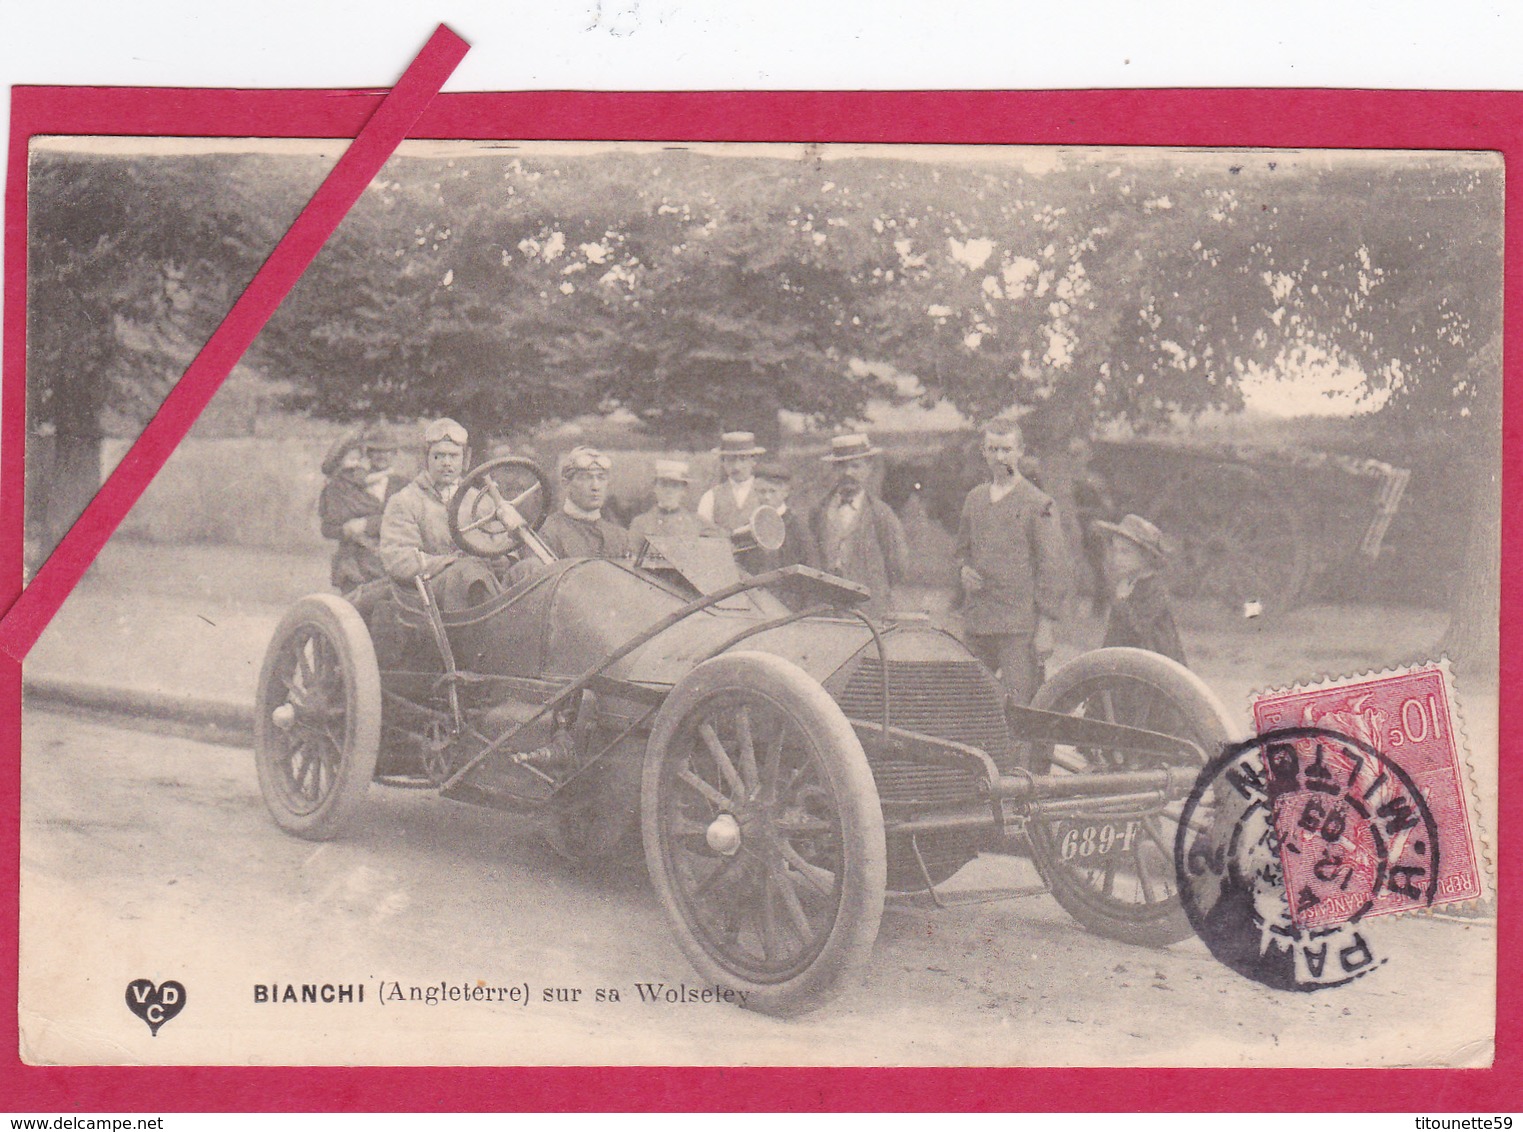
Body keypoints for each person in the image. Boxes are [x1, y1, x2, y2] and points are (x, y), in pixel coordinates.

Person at [955, 420, 1070, 706]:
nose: (1000, 458)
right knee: (969, 702)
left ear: (1020, 451)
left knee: (1018, 706)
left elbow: (1052, 567)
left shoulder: (1039, 504)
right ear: (983, 452)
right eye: (993, 449)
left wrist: (1045, 627)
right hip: (978, 622)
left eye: (1006, 449)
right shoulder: (975, 499)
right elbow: (961, 551)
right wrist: (963, 571)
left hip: (1018, 627)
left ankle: (1021, 754)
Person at [379, 417, 498, 609]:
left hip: (482, 583)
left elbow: (502, 544)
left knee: (528, 569)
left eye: (453, 456)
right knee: (465, 572)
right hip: (430, 592)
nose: (446, 463)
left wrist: (504, 556)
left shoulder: (482, 501)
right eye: (439, 456)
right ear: (425, 459)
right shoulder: (405, 501)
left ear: (465, 459)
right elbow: (398, 559)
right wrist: (449, 562)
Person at [808, 432, 909, 617]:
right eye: (841, 466)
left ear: (868, 468)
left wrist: (875, 588)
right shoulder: (818, 512)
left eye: (855, 466)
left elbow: (898, 566)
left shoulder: (881, 514)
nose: (848, 473)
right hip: (827, 610)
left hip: (868, 611)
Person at [1095, 513, 1187, 665]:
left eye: (1125, 552)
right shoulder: (1127, 584)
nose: (1117, 558)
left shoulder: (1154, 589)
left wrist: (1121, 601)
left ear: (1145, 556)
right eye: (1115, 551)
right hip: (1129, 660)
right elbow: (1115, 633)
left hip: (1155, 664)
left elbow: (1138, 630)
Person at [537, 446, 636, 559]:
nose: (595, 486)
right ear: (566, 484)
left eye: (601, 478)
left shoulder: (621, 537)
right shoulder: (548, 533)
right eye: (586, 478)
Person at [318, 431, 386, 594]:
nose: (382, 456)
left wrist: (367, 524)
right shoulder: (342, 484)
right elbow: (327, 527)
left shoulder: (404, 485)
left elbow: (403, 519)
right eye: (375, 451)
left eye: (388, 451)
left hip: (385, 564)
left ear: (395, 453)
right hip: (352, 565)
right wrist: (345, 530)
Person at [737, 461, 818, 575]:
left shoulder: (797, 527)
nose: (767, 497)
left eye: (772, 491)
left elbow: (811, 567)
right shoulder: (750, 527)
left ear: (785, 492)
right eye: (761, 491)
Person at [629, 459, 724, 541]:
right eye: (663, 485)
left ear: (683, 490)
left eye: (675, 486)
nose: (668, 491)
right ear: (655, 488)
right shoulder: (640, 523)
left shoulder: (697, 522)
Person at [696, 430, 766, 531]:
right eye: (731, 460)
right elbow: (702, 532)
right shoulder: (711, 497)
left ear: (753, 460)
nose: (737, 467)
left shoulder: (766, 494)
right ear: (722, 462)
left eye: (743, 459)